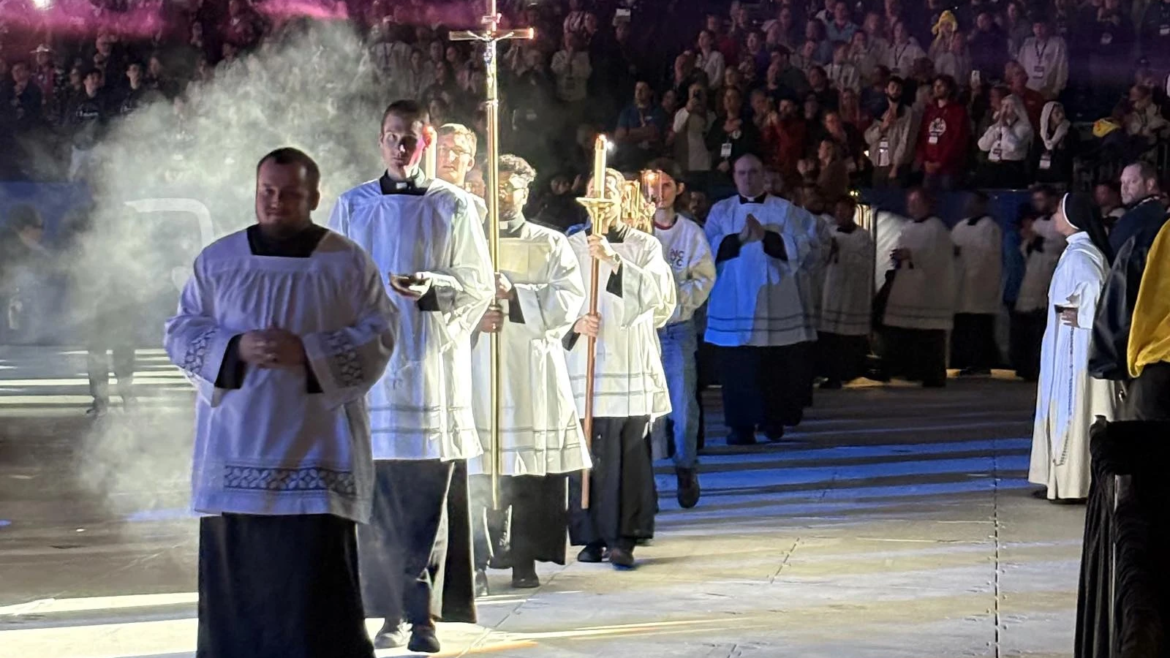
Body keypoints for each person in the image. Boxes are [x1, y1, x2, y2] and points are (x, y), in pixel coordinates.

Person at [164, 148, 396, 658]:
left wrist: (309, 352)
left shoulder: (346, 262)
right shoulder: (220, 260)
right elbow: (181, 331)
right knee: (240, 599)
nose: (276, 202)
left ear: (314, 197)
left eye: (290, 193)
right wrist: (235, 347)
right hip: (236, 455)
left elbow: (380, 334)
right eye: (267, 191)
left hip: (317, 456)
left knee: (314, 599)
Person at [329, 100, 492, 654]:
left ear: (426, 141)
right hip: (374, 376)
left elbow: (479, 284)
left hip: (429, 372)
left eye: (411, 139)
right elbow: (332, 284)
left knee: (426, 500)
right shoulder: (352, 206)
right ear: (380, 141)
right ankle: (390, 614)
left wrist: (433, 288)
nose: (401, 148)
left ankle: (423, 616)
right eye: (392, 137)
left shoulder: (456, 206)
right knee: (376, 505)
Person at [468, 154, 589, 590]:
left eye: (509, 187)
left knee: (527, 474)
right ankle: (476, 562)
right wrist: (476, 313)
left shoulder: (549, 242)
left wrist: (514, 293)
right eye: (491, 185)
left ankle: (524, 560)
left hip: (530, 370)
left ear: (526, 191)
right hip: (478, 365)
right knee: (477, 471)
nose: (499, 195)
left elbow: (569, 300)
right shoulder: (465, 241)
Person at [564, 167, 677, 569]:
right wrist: (574, 324)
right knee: (588, 449)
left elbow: (661, 301)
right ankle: (590, 534)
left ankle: (624, 537)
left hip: (629, 363)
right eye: (594, 189)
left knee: (628, 454)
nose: (601, 197)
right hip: (585, 361)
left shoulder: (644, 246)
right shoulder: (569, 245)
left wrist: (614, 262)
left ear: (622, 199)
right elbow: (555, 296)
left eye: (608, 191)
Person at [704, 153, 821, 443]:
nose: (748, 178)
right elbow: (706, 249)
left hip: (774, 299)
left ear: (763, 175)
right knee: (737, 368)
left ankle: (772, 420)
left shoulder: (785, 210)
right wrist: (740, 238)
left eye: (753, 172)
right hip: (732, 299)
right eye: (742, 173)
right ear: (734, 176)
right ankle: (740, 427)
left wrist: (768, 238)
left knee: (774, 366)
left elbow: (803, 246)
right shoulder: (721, 210)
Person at [1029, 193, 1116, 502]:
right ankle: (1061, 480)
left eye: (1058, 213)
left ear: (1072, 218)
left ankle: (1073, 484)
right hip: (1066, 345)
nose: (1053, 218)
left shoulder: (1082, 255)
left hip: (1075, 351)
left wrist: (1082, 315)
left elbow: (1096, 293)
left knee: (1074, 410)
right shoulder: (1076, 251)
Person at [646, 159, 716, 509]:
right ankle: (643, 479)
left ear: (679, 190)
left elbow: (704, 277)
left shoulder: (690, 233)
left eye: (666, 186)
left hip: (676, 329)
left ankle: (686, 466)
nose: (658, 194)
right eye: (653, 186)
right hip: (641, 330)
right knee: (642, 407)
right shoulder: (636, 230)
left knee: (683, 403)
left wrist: (676, 300)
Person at [1089, 162, 1170, 397]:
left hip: (1153, 350)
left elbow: (1124, 287)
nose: (1124, 188)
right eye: (1122, 182)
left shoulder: (1146, 225)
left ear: (1151, 183)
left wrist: (1110, 356)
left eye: (1131, 182)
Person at [880, 187, 955, 387]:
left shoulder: (936, 228)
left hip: (929, 292)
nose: (910, 208)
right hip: (908, 286)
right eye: (909, 203)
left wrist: (912, 255)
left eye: (915, 203)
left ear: (927, 204)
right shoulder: (909, 227)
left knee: (929, 336)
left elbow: (938, 257)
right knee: (909, 333)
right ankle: (911, 370)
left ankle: (932, 375)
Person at [818, 196, 874, 388]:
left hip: (852, 293)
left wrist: (841, 251)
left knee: (848, 338)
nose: (840, 213)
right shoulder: (829, 232)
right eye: (837, 210)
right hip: (831, 290)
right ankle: (831, 375)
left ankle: (849, 372)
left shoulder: (863, 236)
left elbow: (863, 263)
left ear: (852, 211)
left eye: (844, 210)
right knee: (830, 337)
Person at [1013, 186, 1067, 382]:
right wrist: (1029, 240)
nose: (1038, 204)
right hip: (1032, 273)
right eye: (1035, 200)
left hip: (1049, 276)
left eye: (1041, 199)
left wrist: (1037, 241)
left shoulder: (1059, 222)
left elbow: (1058, 247)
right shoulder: (1036, 223)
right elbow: (1025, 249)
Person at [951, 192, 1003, 375]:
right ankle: (964, 360)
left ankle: (980, 362)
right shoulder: (960, 226)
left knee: (979, 326)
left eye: (972, 202)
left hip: (980, 286)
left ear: (982, 205)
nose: (968, 206)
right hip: (963, 284)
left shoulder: (990, 227)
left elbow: (988, 255)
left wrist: (964, 251)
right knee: (965, 325)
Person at [915, 74, 971, 191]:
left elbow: (958, 140)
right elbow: (922, 137)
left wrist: (941, 162)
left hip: (949, 169)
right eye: (935, 85)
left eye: (941, 86)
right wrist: (925, 161)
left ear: (950, 89)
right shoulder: (929, 111)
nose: (937, 88)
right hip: (929, 166)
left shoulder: (958, 111)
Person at [864, 75, 915, 187]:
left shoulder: (908, 113)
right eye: (893, 87)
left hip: (896, 165)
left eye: (898, 88)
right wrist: (882, 127)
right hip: (879, 163)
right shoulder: (879, 110)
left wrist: (896, 166)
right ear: (886, 90)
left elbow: (905, 141)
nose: (895, 91)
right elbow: (868, 138)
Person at [974, 93, 1033, 189]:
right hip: (992, 166)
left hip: (1011, 169)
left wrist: (1004, 127)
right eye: (1003, 106)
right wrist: (998, 128)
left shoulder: (1024, 127)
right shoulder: (996, 126)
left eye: (1008, 106)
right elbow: (983, 145)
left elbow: (1010, 146)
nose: (1004, 110)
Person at [1017, 16, 1069, 99]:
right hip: (1028, 89)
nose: (1039, 30)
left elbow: (1062, 68)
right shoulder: (1027, 44)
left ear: (1048, 27)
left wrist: (1056, 90)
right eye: (1036, 26)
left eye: (1042, 26)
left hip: (1048, 90)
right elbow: (1019, 67)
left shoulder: (1057, 44)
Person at [1033, 101, 1078, 186]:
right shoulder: (1041, 134)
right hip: (1041, 178)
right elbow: (1034, 157)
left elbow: (1073, 153)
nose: (1060, 116)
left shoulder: (1070, 132)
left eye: (1062, 112)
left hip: (1061, 178)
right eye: (1056, 113)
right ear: (1048, 116)